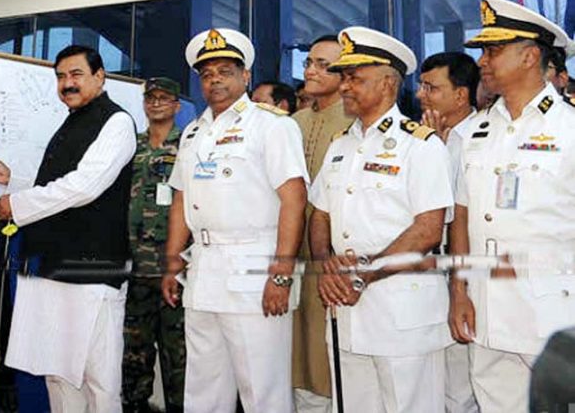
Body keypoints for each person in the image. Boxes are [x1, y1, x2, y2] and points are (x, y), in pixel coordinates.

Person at [0, 45, 136, 412]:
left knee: (99, 381)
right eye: (61, 77)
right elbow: (58, 187)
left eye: (76, 75)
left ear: (100, 77)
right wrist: (13, 181)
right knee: (59, 373)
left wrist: (16, 206)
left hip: (94, 271)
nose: (68, 84)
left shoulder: (117, 122)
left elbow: (84, 187)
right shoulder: (70, 122)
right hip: (53, 267)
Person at [161, 28, 309, 412]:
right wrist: (173, 260)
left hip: (255, 268)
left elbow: (294, 200)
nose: (214, 80)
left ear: (246, 77)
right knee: (203, 388)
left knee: (263, 389)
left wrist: (281, 273)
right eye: (207, 74)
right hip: (204, 268)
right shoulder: (194, 131)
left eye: (225, 71)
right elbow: (181, 198)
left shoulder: (273, 125)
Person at [310, 26, 454, 412]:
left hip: (402, 310)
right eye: (344, 78)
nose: (344, 87)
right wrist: (326, 265)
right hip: (347, 310)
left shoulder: (420, 146)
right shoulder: (341, 145)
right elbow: (320, 214)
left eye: (355, 78)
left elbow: (427, 230)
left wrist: (362, 275)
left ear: (389, 83)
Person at [449, 0, 575, 413]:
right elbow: (463, 214)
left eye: (493, 50)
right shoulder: (477, 130)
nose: (482, 61)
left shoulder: (569, 128)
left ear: (530, 56)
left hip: (552, 308)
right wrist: (459, 289)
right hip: (485, 307)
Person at [415, 52, 481, 413]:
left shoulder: (482, 136)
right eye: (422, 86)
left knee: (464, 382)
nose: (422, 95)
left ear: (461, 95)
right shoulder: (416, 139)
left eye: (432, 88)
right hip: (425, 273)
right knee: (430, 381)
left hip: (466, 271)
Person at [289, 34, 352, 413]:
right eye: (309, 62)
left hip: (335, 262)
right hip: (293, 259)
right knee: (297, 355)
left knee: (333, 358)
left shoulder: (355, 121)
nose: (311, 70)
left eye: (323, 65)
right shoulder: (292, 123)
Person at [122, 77, 185, 413]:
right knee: (134, 356)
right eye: (151, 98)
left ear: (177, 105)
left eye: (165, 98)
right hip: (135, 270)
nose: (157, 103)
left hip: (174, 271)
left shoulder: (189, 144)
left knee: (179, 357)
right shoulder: (133, 146)